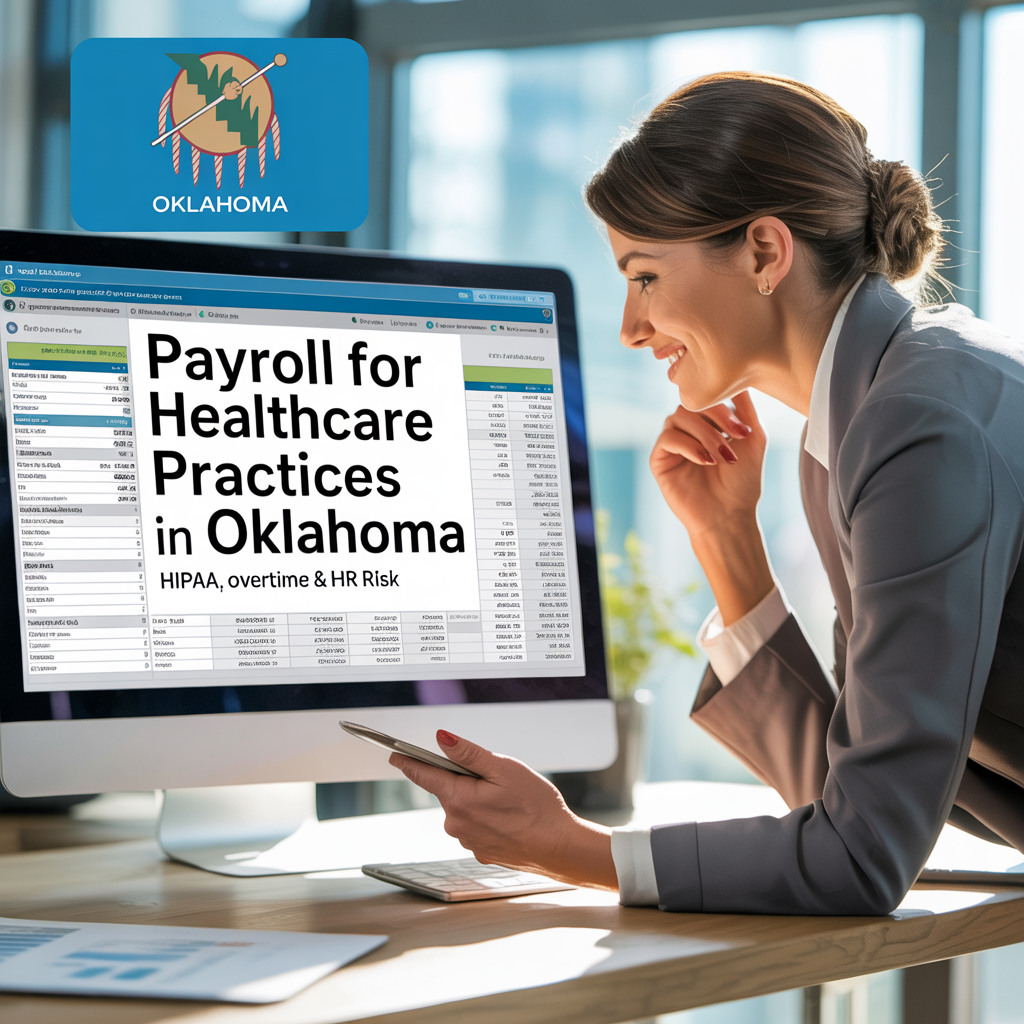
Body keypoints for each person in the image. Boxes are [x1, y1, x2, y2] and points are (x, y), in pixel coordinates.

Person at [390, 71, 1024, 915]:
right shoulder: (864, 414)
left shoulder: (913, 424)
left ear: (765, 251)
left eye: (644, 276)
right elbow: (845, 799)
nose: (629, 326)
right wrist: (728, 540)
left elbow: (860, 857)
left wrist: (571, 849)